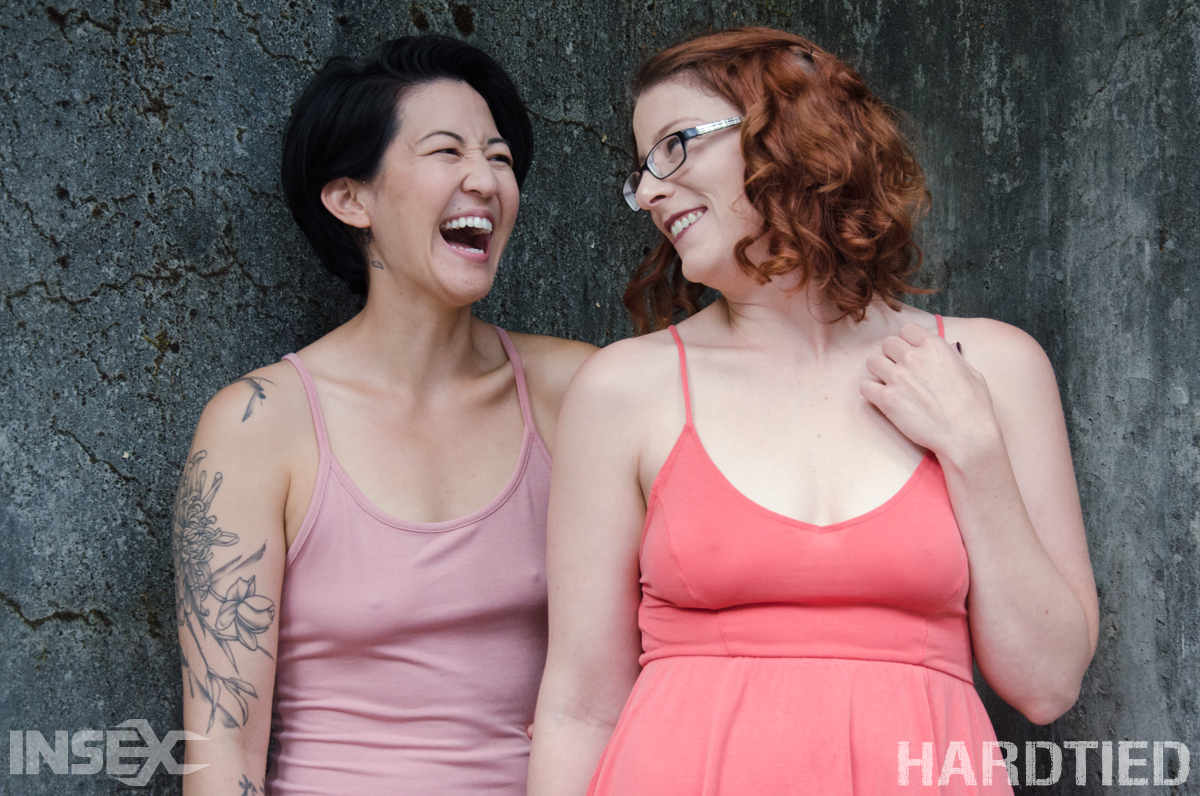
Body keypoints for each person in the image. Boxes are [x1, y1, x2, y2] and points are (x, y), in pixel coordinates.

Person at [527, 27, 1098, 795]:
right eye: (642, 171)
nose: (651, 192)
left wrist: (974, 449)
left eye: (675, 147)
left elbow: (1048, 684)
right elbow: (580, 709)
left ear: (787, 130)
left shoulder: (995, 367)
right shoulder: (622, 389)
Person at [171, 35, 594, 795]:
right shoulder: (257, 425)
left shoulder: (579, 392)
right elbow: (222, 743)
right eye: (446, 151)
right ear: (351, 199)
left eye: (499, 157)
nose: (485, 179)